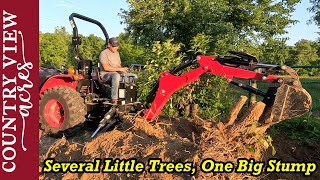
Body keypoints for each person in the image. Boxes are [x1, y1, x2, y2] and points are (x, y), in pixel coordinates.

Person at [99, 37, 138, 103]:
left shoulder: (117, 53)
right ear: (109, 45)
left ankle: (131, 97)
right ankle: (114, 98)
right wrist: (119, 69)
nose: (116, 48)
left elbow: (119, 66)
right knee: (116, 76)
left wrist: (123, 70)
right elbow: (106, 68)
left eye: (117, 46)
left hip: (117, 73)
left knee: (133, 76)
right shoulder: (104, 53)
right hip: (106, 75)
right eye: (114, 46)